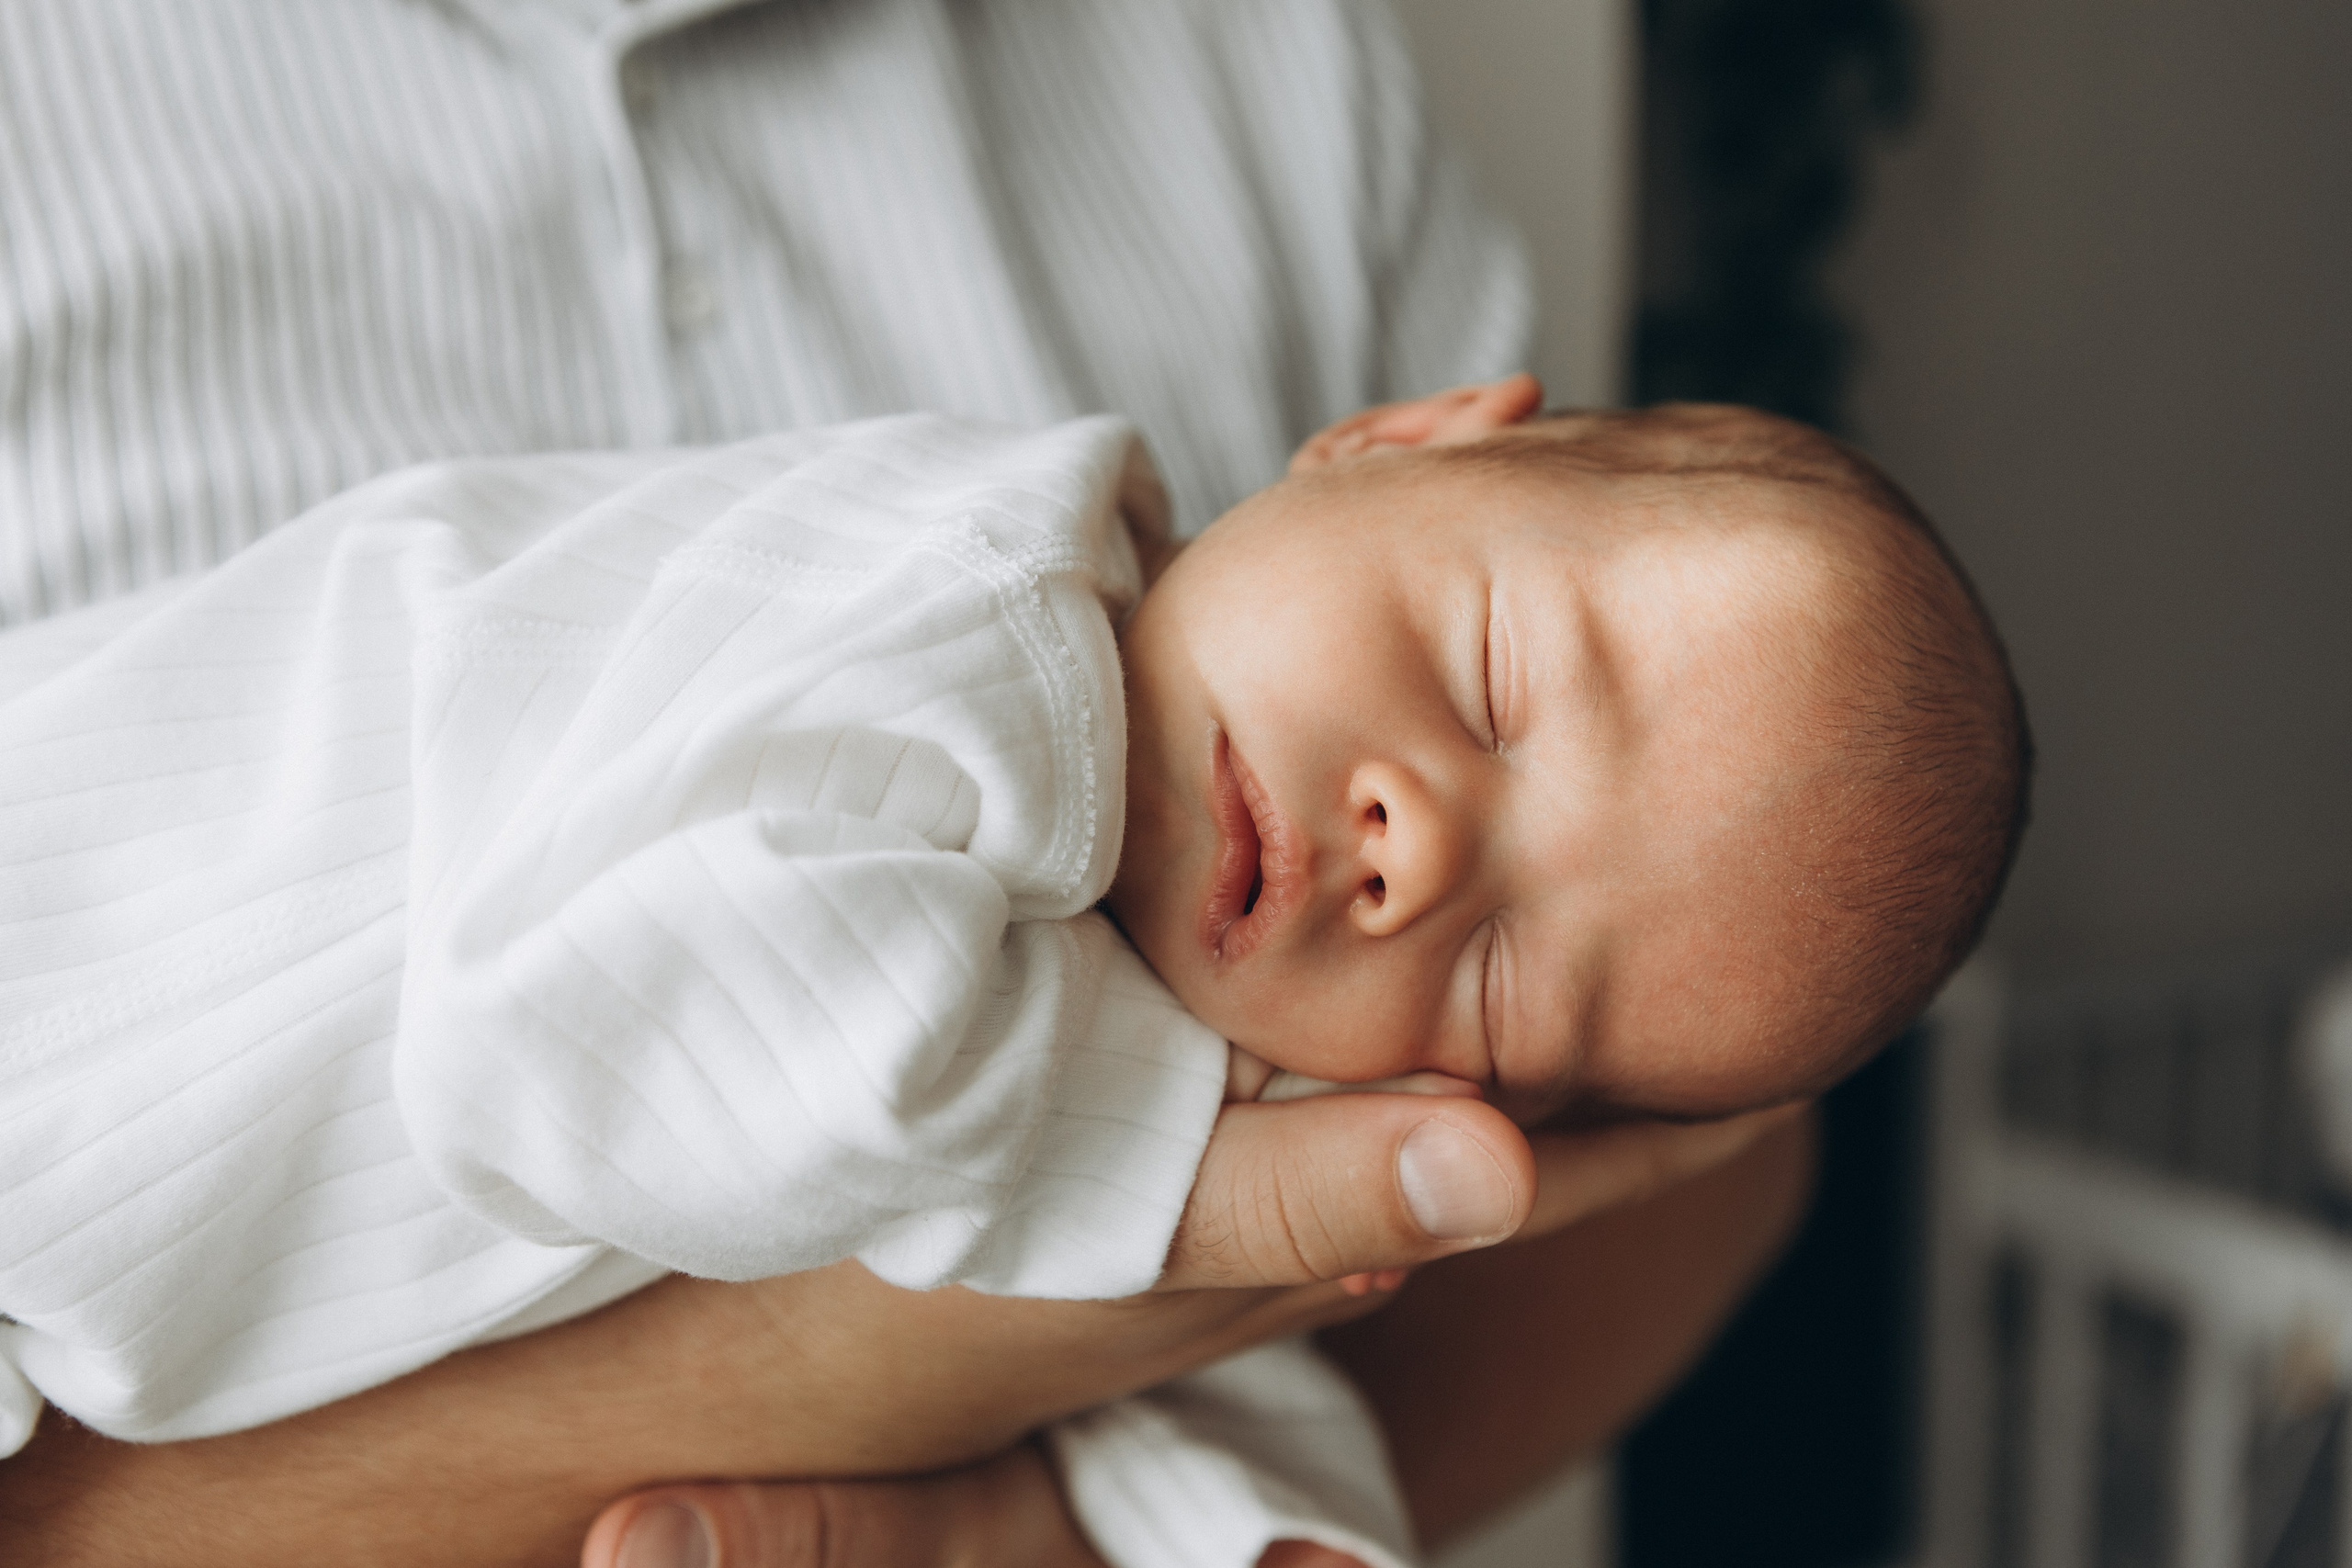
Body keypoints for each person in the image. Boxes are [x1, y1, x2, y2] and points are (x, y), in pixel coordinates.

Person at [0, 0, 1841, 1561]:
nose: (1412, 842)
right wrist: (1118, 1205)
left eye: (1517, 980)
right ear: (1375, 442)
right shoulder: (995, 626)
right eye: (1489, 679)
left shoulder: (1271, 62)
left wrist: (1107, 1506)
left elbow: (1235, 1373)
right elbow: (562, 1054)